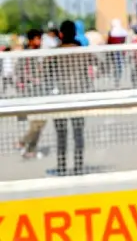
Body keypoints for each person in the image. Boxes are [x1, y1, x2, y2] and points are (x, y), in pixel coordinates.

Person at [44, 20, 96, 175]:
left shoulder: (54, 53)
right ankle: (78, 166)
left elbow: (45, 73)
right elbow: (103, 64)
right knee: (78, 133)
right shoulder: (82, 51)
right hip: (78, 96)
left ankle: (61, 166)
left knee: (61, 134)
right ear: (75, 33)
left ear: (61, 33)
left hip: (60, 98)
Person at [15, 28, 48, 159]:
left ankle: (30, 149)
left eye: (40, 38)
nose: (39, 41)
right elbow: (19, 72)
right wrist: (30, 79)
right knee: (37, 123)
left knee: (41, 122)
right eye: (36, 38)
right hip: (30, 93)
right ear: (30, 40)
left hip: (41, 91)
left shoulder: (39, 54)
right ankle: (23, 142)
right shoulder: (26, 55)